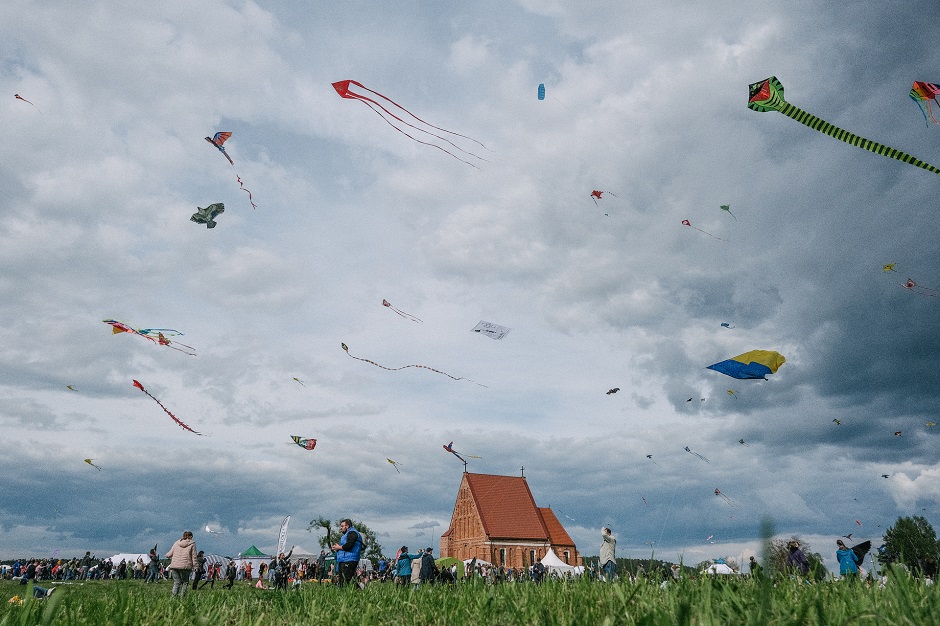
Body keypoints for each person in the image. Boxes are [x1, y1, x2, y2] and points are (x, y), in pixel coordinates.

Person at [330, 518, 363, 587]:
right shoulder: (346, 535)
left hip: (349, 559)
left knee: (347, 580)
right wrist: (339, 547)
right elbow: (346, 546)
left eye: (342, 526)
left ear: (347, 526)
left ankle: (360, 589)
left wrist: (339, 547)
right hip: (344, 559)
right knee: (343, 580)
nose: (340, 528)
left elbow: (349, 545)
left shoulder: (352, 533)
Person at [165, 530, 197, 597]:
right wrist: (196, 566)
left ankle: (173, 597)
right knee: (185, 582)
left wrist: (167, 555)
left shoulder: (176, 543)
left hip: (174, 566)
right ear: (191, 536)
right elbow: (194, 556)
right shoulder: (192, 543)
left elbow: (169, 554)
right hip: (185, 566)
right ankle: (182, 597)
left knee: (176, 582)